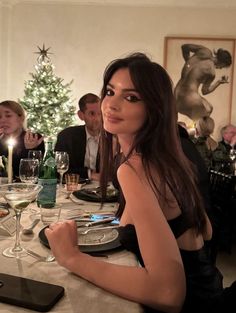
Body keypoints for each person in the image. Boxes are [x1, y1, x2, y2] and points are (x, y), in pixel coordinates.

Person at [45, 53, 236, 313]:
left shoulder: (134, 167)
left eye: (132, 97)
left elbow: (168, 293)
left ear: (154, 109)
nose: (110, 105)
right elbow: (205, 230)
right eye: (110, 92)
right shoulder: (167, 157)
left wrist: (72, 257)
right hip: (211, 290)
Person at [175, 44, 232, 121]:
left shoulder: (205, 51)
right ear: (222, 62)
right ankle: (199, 130)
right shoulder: (211, 72)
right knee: (206, 117)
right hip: (188, 98)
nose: (221, 68)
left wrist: (187, 62)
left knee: (209, 107)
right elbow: (204, 91)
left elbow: (184, 47)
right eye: (223, 66)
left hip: (176, 93)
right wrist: (219, 82)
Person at [54, 93, 101, 181]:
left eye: (100, 113)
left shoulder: (113, 137)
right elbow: (58, 169)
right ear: (81, 115)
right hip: (74, 187)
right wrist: (89, 174)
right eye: (92, 114)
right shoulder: (67, 136)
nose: (98, 119)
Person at [0, 100, 44, 179]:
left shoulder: (33, 138)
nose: (2, 120)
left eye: (8, 116)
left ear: (21, 118)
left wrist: (29, 150)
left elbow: (31, 175)